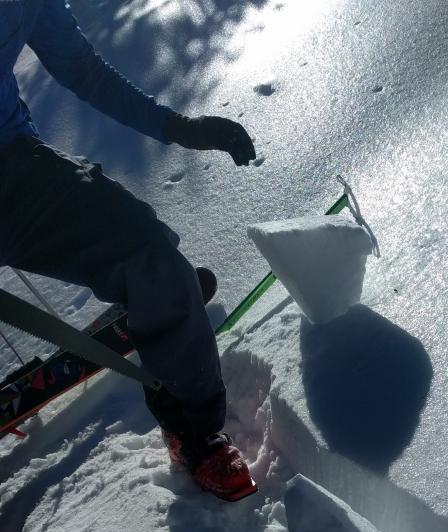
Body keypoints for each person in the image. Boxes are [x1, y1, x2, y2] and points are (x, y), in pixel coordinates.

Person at [0, 0, 257, 498]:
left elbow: (79, 66)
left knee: (150, 256)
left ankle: (194, 430)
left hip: (14, 169)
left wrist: (177, 127)